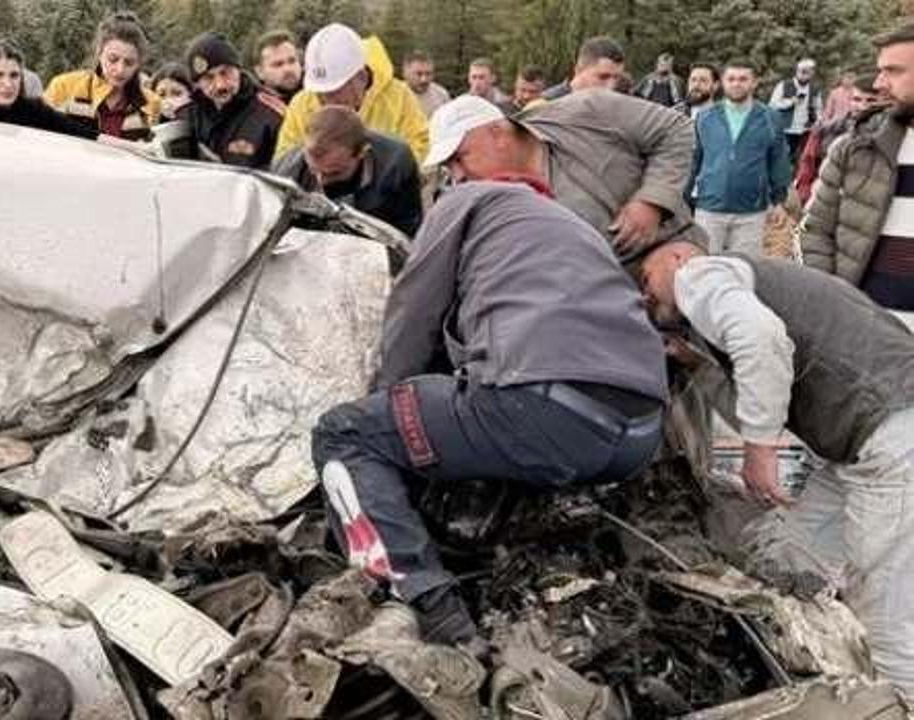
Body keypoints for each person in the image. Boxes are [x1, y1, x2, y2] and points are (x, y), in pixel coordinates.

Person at [313, 179, 666, 652]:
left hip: (546, 409)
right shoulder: (568, 229)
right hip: (640, 432)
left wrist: (383, 403)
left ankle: (430, 613)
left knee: (345, 433)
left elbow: (412, 316)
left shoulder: (463, 201)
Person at [637, 240, 914, 697]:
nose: (644, 297)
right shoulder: (741, 295)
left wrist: (758, 451)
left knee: (885, 620)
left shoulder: (701, 275)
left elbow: (763, 341)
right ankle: (806, 665)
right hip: (867, 441)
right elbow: (763, 386)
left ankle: (896, 703)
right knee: (781, 553)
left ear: (677, 257)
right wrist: (698, 366)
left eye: (645, 279)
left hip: (893, 437)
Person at [424, 92, 697, 257]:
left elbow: (675, 129)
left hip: (669, 251)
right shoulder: (480, 203)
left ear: (497, 133)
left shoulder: (588, 110)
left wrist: (652, 202)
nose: (457, 176)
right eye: (448, 166)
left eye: (460, 157)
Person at [801, 24, 914, 312]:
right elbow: (814, 232)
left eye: (893, 71)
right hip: (864, 335)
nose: (878, 83)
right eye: (880, 70)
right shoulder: (856, 147)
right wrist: (831, 303)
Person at [273, 105, 422, 249]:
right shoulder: (286, 171)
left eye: (334, 173)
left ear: (362, 153)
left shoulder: (396, 164)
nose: (321, 181)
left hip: (374, 247)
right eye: (313, 170)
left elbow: (407, 232)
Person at [275, 23, 428, 163]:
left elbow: (421, 149)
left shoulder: (399, 98)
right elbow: (284, 162)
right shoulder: (301, 104)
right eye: (319, 93)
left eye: (334, 91)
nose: (326, 101)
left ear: (361, 77)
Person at [689, 59, 791, 256]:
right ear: (722, 82)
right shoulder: (706, 117)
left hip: (751, 210)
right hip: (710, 206)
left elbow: (778, 161)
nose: (737, 83)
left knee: (745, 266)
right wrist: (684, 200)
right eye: (731, 79)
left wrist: (779, 201)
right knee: (705, 263)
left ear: (754, 83)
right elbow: (694, 161)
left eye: (743, 79)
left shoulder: (770, 118)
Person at [43, 11, 160, 142]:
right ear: (99, 54)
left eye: (129, 63)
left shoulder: (151, 103)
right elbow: (38, 133)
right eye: (113, 59)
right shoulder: (64, 86)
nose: (120, 70)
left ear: (139, 63)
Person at [0, 40, 97, 139]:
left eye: (14, 75)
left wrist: (119, 146)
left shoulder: (34, 110)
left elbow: (85, 133)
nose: (8, 84)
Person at [178, 32, 284, 169]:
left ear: (238, 70)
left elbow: (287, 171)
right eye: (209, 78)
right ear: (197, 83)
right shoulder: (185, 118)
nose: (220, 85)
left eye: (225, 73)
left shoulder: (271, 114)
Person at [793, 73, 881, 205]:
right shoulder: (826, 131)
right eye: (857, 100)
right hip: (825, 199)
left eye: (871, 101)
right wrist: (804, 196)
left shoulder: (887, 135)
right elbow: (808, 167)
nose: (862, 106)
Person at [768, 58, 823, 162]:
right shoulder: (784, 85)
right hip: (787, 129)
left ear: (812, 73)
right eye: (802, 71)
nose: (804, 74)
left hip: (805, 129)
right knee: (783, 157)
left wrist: (819, 120)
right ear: (797, 71)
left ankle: (798, 177)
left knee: (805, 158)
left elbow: (818, 108)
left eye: (808, 72)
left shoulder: (815, 89)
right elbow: (772, 105)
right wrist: (790, 102)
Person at [542, 36, 625, 100]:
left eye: (617, 78)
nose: (611, 86)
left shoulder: (620, 107)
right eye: (603, 77)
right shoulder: (546, 106)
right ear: (578, 71)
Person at [253, 30, 302, 104]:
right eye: (278, 64)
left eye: (292, 61)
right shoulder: (256, 111)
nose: (288, 69)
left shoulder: (318, 95)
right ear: (260, 72)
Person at [403, 50, 449, 117]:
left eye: (428, 74)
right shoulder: (395, 96)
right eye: (418, 74)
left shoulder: (441, 95)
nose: (424, 80)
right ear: (406, 73)